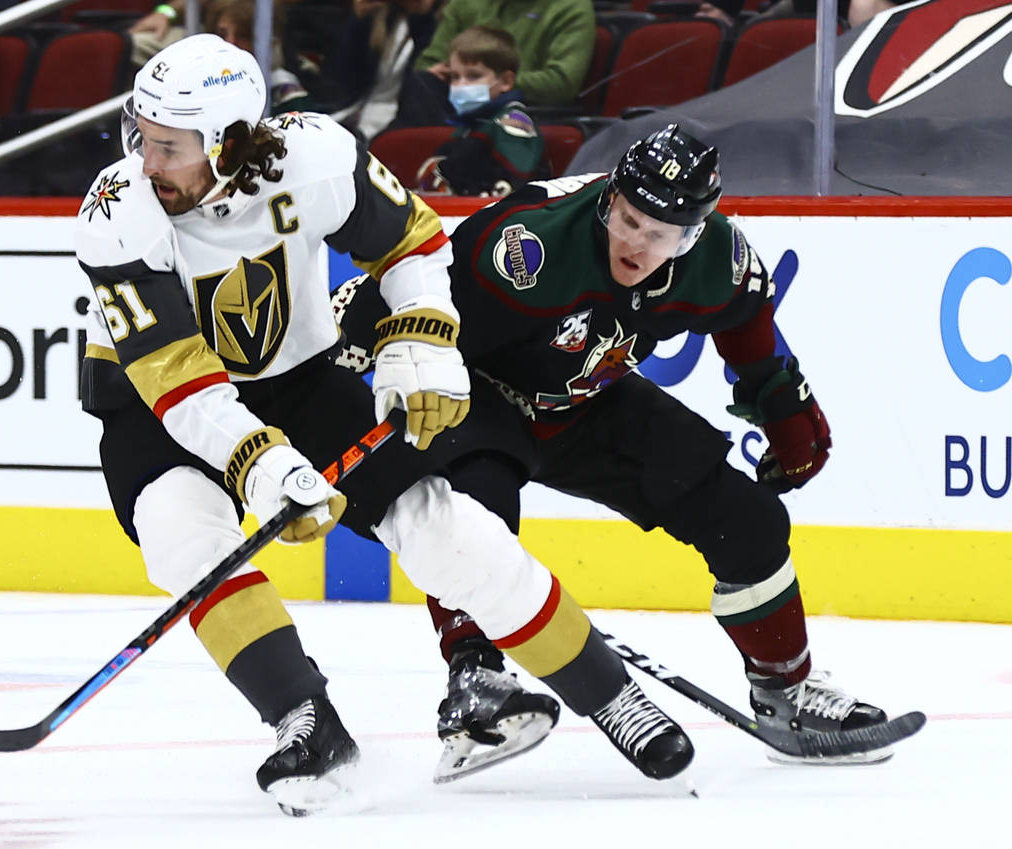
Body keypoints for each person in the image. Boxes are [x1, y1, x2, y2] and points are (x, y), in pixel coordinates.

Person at [74, 34, 699, 815]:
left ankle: (613, 697)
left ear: (231, 141)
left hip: (299, 381)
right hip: (156, 405)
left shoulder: (315, 157)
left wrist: (423, 336)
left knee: (438, 522)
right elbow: (175, 376)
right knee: (183, 536)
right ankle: (304, 720)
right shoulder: (116, 211)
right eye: (141, 134)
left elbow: (413, 242)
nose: (146, 159)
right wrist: (258, 464)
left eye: (168, 145)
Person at [331, 124, 900, 773]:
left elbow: (747, 323)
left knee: (750, 521)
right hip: (478, 391)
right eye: (628, 218)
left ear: (691, 234)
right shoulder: (526, 247)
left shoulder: (718, 259)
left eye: (658, 233)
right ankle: (475, 683)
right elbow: (409, 304)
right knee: (474, 511)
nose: (634, 241)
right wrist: (338, 383)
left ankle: (787, 691)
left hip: (584, 400)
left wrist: (782, 405)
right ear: (610, 198)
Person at [393, 0, 594, 128]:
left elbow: (561, 82)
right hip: (448, 100)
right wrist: (460, 77)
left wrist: (492, 84)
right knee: (421, 83)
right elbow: (428, 63)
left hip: (523, 109)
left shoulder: (570, 6)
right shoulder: (465, 4)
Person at [413, 25, 549, 198]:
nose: (461, 85)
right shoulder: (472, 124)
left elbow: (517, 188)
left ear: (506, 81)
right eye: (455, 77)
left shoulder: (512, 123)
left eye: (473, 76)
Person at [317, 0, 440, 142]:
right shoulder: (383, 15)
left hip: (400, 120)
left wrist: (423, 16)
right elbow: (345, 79)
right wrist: (359, 23)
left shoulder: (436, 22)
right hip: (354, 110)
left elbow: (421, 82)